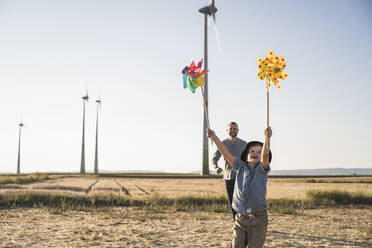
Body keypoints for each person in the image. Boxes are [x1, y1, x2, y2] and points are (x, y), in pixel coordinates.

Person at [207, 126, 272, 248]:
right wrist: (214, 137)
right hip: (241, 218)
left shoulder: (262, 170)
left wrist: (267, 138)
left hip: (258, 219)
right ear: (246, 155)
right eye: (252, 151)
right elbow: (225, 152)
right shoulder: (239, 165)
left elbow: (265, 155)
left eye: (259, 151)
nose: (255, 153)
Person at [211, 122, 247, 221]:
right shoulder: (222, 144)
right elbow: (214, 160)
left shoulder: (244, 144)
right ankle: (236, 222)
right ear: (227, 131)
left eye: (235, 129)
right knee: (232, 202)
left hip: (242, 176)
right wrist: (216, 167)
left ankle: (244, 221)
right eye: (231, 129)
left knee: (242, 201)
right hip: (229, 177)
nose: (233, 130)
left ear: (238, 130)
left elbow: (249, 159)